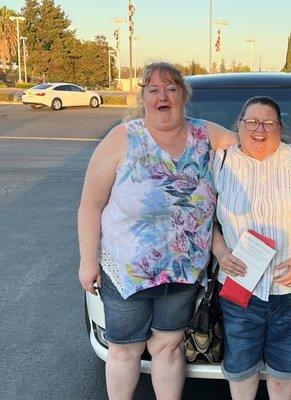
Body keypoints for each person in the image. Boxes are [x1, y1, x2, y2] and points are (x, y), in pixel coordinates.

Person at [77, 61, 236, 400]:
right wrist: (87, 260)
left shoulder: (205, 135)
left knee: (169, 347)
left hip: (183, 271)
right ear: (144, 97)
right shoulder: (123, 138)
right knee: (124, 349)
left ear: (183, 95)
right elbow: (90, 204)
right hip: (128, 272)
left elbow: (254, 146)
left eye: (171, 88)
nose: (163, 95)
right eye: (154, 89)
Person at [211, 96, 291, 400]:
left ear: (280, 127)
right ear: (238, 126)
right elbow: (205, 219)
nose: (260, 129)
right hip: (240, 289)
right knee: (242, 376)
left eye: (269, 123)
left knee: (283, 379)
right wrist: (221, 252)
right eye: (252, 122)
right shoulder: (221, 160)